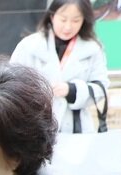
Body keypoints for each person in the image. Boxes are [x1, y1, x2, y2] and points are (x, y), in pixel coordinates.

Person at [9, 0, 109, 134]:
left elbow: (101, 88)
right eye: (63, 19)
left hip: (75, 129)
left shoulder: (93, 49)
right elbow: (10, 84)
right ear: (52, 16)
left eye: (75, 21)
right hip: (34, 126)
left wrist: (72, 90)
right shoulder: (29, 46)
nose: (68, 27)